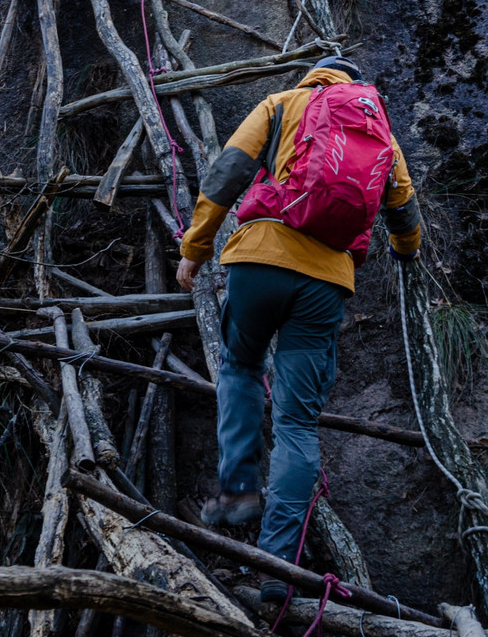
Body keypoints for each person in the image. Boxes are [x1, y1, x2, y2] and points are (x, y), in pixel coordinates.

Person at [176, 57, 421, 599]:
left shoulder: (281, 105)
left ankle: (238, 490)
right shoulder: (375, 124)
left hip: (258, 261)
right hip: (327, 279)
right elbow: (402, 205)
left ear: (312, 76)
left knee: (240, 365)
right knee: (297, 422)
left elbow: (225, 174)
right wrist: (408, 253)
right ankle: (278, 568)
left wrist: (194, 249)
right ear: (352, 83)